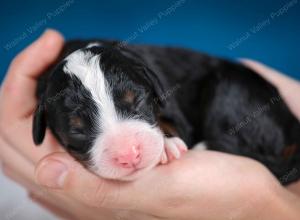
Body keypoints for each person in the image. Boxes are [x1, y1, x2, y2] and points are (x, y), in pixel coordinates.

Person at [0, 29, 300, 220]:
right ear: (43, 123)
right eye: (80, 129)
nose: (127, 154)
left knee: (231, 91)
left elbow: (175, 114)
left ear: (154, 87)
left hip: (259, 115)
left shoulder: (141, 72)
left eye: (136, 106)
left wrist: (269, 207)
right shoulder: (48, 94)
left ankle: (256, 158)